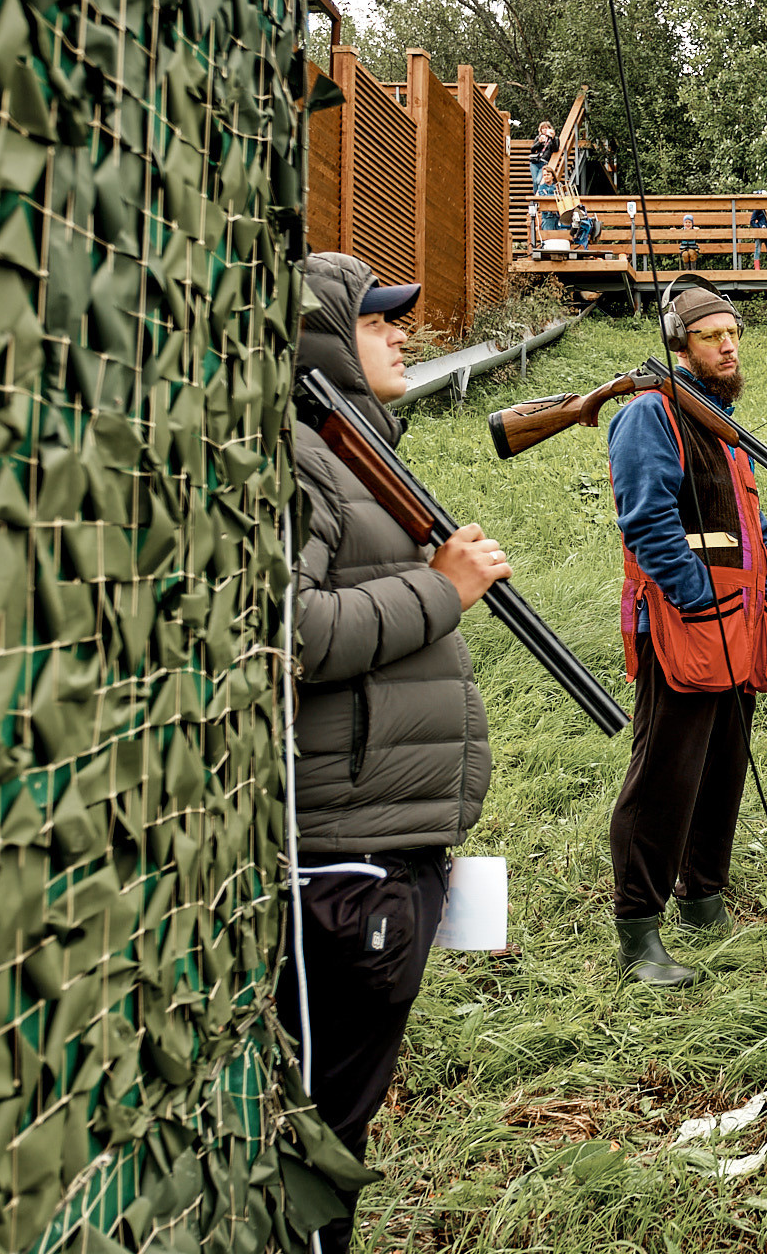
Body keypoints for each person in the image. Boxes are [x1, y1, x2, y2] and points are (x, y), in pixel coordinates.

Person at [278, 253, 512, 1253]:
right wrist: (440, 589)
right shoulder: (298, 455)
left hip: (391, 846)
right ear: (326, 335)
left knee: (341, 1136)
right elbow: (282, 632)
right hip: (343, 860)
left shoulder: (356, 452)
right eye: (378, 321)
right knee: (315, 1149)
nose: (403, 333)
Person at [605, 288, 767, 984]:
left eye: (733, 333)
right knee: (665, 776)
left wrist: (765, 598)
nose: (728, 346)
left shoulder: (718, 423)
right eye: (711, 337)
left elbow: (748, 526)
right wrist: (697, 603)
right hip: (686, 625)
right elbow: (647, 526)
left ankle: (702, 897)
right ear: (682, 345)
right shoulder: (650, 415)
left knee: (723, 766)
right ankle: (637, 931)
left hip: (739, 622)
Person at [747, 196, 767, 270]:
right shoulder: (758, 209)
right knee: (758, 250)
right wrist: (758, 228)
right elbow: (752, 221)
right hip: (759, 233)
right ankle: (757, 268)